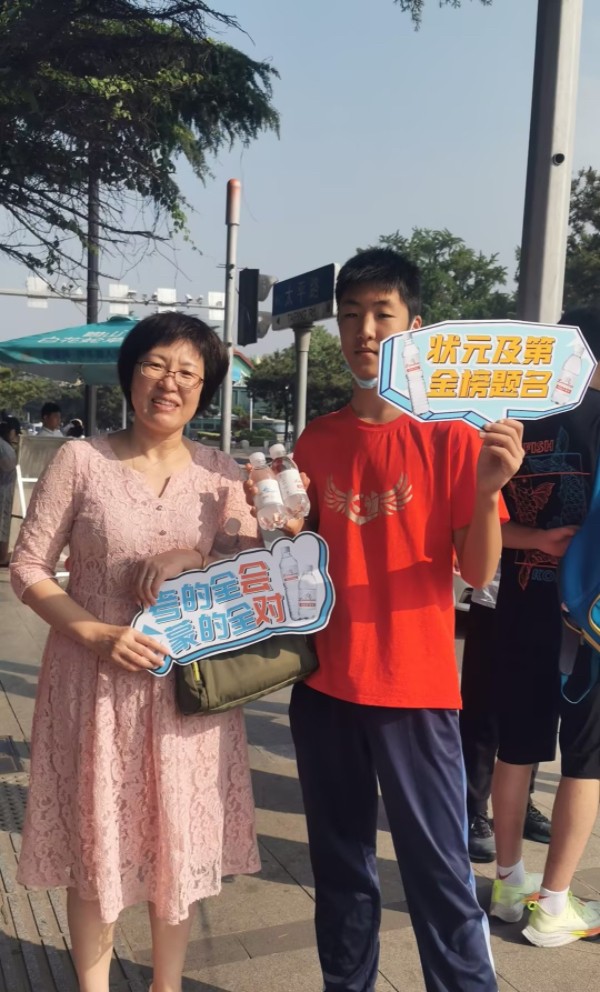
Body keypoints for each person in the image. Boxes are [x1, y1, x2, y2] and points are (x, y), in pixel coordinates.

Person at [264, 248, 524, 992]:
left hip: (416, 690)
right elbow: (306, 558)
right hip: (325, 688)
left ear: (415, 326)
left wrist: (488, 492)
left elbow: (478, 572)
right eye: (351, 316)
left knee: (439, 874)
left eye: (382, 314)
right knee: (341, 870)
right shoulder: (317, 440)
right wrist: (283, 533)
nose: (365, 331)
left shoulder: (453, 435)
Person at [10, 312, 260, 992]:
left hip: (187, 695)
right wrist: (94, 632)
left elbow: (247, 573)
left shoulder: (220, 473)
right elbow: (28, 566)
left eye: (187, 373)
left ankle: (165, 985)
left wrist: (194, 556)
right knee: (99, 844)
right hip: (92, 687)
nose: (169, 383)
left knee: (174, 840)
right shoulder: (80, 461)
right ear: (131, 373)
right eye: (156, 365)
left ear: (204, 389)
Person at [488, 306, 600, 942]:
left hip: (521, 602)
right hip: (590, 621)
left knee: (516, 748)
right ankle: (553, 905)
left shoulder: (512, 418)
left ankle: (509, 885)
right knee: (587, 758)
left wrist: (533, 538)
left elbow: (473, 521)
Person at [459, 566, 551, 863]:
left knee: (533, 714)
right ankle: (472, 810)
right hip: (493, 598)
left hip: (549, 602)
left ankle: (520, 804)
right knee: (482, 714)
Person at [0, 416, 20, 566]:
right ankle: (2, 557)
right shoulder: (5, 448)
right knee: (3, 523)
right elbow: (9, 465)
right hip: (4, 488)